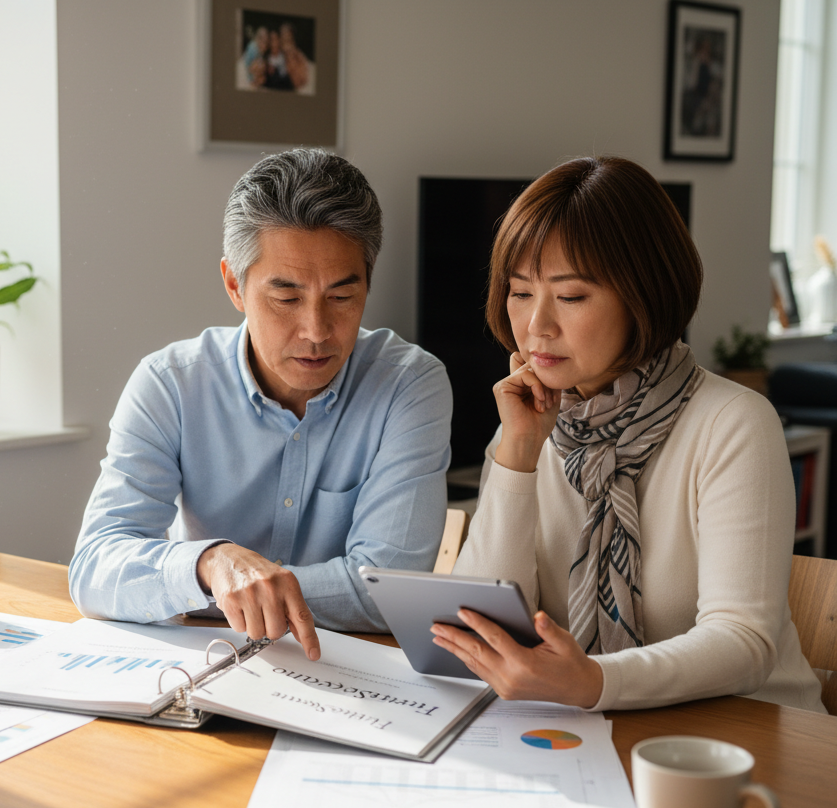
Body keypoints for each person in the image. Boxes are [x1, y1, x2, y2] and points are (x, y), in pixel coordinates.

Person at [432, 155, 825, 714]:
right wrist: (518, 455)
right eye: (521, 292)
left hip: (751, 735)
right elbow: (483, 628)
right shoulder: (529, 419)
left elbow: (744, 643)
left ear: (643, 294)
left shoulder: (734, 423)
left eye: (569, 296)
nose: (537, 325)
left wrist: (593, 682)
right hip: (593, 731)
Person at [70, 148, 452, 660]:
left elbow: (387, 592)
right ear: (234, 284)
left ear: (368, 281)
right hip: (204, 666)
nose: (316, 331)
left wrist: (202, 593)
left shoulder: (410, 384)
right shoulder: (170, 384)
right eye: (286, 298)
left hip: (345, 673)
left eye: (342, 296)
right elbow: (95, 566)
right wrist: (210, 565)